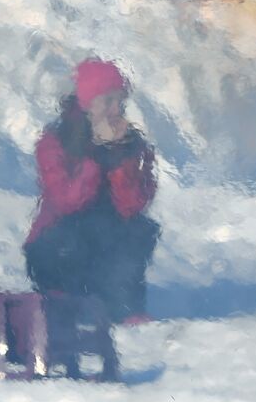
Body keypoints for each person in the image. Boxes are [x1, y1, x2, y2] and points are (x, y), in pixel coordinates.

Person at [23, 59, 159, 347]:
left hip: (107, 245)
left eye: (120, 102)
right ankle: (60, 300)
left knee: (138, 231)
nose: (115, 111)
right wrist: (95, 158)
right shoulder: (56, 140)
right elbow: (66, 200)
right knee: (69, 236)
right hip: (61, 241)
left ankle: (123, 306)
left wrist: (121, 157)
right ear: (86, 104)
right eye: (107, 101)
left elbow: (133, 205)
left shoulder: (133, 144)